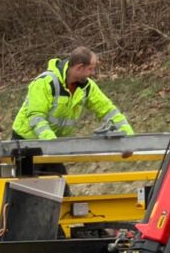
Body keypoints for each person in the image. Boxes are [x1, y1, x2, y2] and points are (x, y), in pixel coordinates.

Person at [11, 46, 134, 174]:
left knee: (60, 185)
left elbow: (108, 110)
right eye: (90, 69)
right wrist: (53, 144)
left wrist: (129, 138)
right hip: (26, 144)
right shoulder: (45, 83)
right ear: (79, 67)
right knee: (30, 185)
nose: (93, 73)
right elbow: (36, 117)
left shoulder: (87, 87)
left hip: (51, 144)